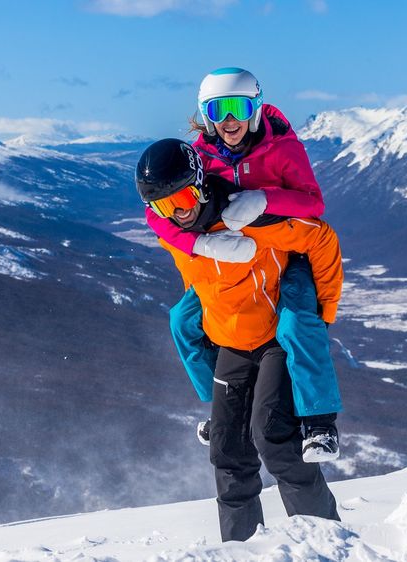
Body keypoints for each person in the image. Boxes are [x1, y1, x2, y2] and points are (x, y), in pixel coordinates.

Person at [136, 138, 342, 542]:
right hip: (230, 340)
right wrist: (198, 242)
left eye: (183, 197)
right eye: (165, 206)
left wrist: (322, 313)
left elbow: (321, 237)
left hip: (272, 340)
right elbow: (163, 227)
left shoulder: (247, 217)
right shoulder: (176, 232)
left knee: (274, 438)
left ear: (199, 182)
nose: (179, 212)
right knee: (227, 453)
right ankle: (240, 549)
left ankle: (326, 543)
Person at [144, 67, 342, 461]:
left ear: (255, 107)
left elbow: (313, 205)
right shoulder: (199, 156)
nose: (229, 120)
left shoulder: (282, 148)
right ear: (205, 114)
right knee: (183, 322)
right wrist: (200, 244)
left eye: (238, 107)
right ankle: (219, 406)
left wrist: (266, 200)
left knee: (298, 321)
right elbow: (155, 214)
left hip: (286, 252)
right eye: (218, 111)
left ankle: (320, 424)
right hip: (225, 256)